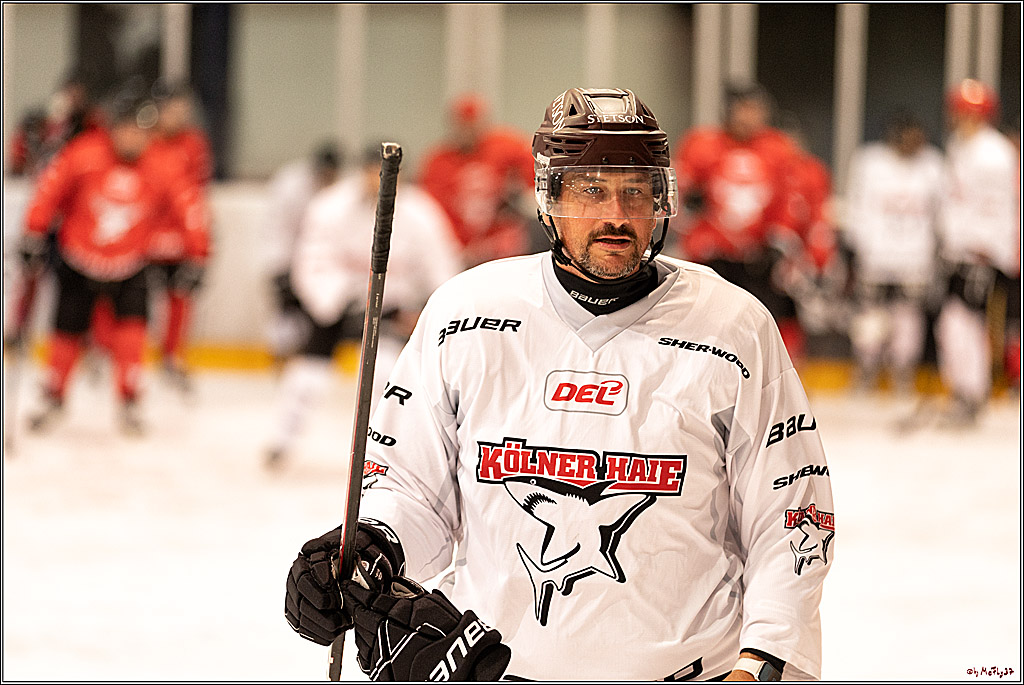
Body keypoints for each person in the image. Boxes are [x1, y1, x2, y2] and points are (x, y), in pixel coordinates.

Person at [284, 88, 834, 681]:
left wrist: (764, 662)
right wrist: (370, 548)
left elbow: (794, 515)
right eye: (591, 191)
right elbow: (413, 492)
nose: (616, 215)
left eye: (635, 191)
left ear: (663, 200)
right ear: (548, 197)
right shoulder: (464, 316)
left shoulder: (734, 326)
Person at [21, 87, 209, 436]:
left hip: (131, 262)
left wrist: (198, 257)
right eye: (128, 129)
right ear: (114, 127)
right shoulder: (84, 152)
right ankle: (54, 395)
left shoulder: (163, 162)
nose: (134, 138)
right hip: (79, 257)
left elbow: (190, 210)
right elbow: (49, 191)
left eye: (141, 131)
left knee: (132, 334)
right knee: (66, 331)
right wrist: (33, 233)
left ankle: (129, 399)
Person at [265, 145, 460, 468]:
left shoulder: (422, 214)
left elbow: (441, 268)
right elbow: (312, 261)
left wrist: (430, 314)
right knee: (306, 377)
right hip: (340, 306)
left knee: (386, 374)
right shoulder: (330, 208)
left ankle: (378, 450)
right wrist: (337, 303)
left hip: (394, 309)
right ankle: (281, 441)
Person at [672, 83, 807, 361]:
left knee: (766, 321)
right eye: (746, 109)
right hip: (713, 254)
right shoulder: (701, 144)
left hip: (759, 256)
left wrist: (783, 241)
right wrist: (692, 218)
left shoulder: (778, 148)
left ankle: (774, 378)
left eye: (757, 110)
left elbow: (789, 199)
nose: (752, 117)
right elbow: (678, 195)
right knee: (703, 322)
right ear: (728, 110)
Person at [934, 79, 1019, 425]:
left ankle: (971, 392)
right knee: (957, 323)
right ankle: (966, 390)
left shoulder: (993, 154)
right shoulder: (963, 147)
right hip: (962, 250)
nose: (959, 118)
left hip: (980, 252)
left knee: (963, 323)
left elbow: (999, 207)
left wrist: (987, 248)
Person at [842, 112, 944, 393]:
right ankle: (866, 369)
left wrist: (937, 251)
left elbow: (940, 213)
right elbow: (857, 205)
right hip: (875, 255)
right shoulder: (870, 162)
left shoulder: (932, 165)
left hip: (915, 257)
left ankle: (903, 370)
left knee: (908, 317)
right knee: (870, 314)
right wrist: (855, 248)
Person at [143, 81, 214, 391]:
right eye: (174, 107)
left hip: (181, 234)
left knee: (180, 296)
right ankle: (109, 354)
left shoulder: (194, 143)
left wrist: (200, 242)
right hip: (142, 233)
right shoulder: (143, 138)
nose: (180, 114)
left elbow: (198, 193)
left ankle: (172, 355)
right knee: (124, 299)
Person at [418, 93, 540, 268]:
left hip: (503, 241)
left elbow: (536, 181)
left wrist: (515, 194)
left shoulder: (506, 146)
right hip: (459, 249)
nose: (467, 131)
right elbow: (432, 213)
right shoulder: (438, 162)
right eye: (462, 125)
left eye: (472, 124)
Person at [262, 142, 342, 365]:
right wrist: (283, 265)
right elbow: (279, 228)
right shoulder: (291, 185)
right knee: (287, 311)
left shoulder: (336, 193)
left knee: (313, 314)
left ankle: (302, 359)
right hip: (285, 255)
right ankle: (281, 359)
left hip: (316, 261)